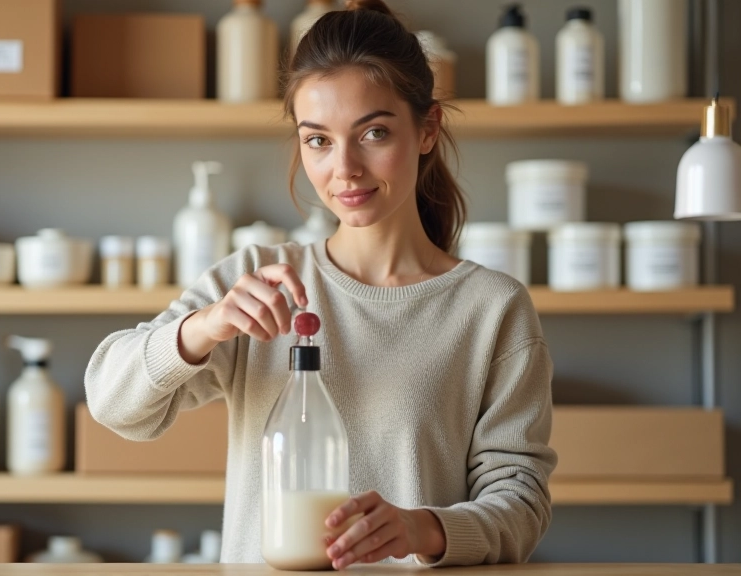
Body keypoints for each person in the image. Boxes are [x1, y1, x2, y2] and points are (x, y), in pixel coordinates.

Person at [85, 0, 557, 568]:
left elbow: (521, 503)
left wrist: (424, 528)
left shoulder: (492, 309)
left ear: (427, 129)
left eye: (374, 133)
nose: (345, 168)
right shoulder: (254, 280)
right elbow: (112, 404)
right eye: (318, 140)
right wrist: (202, 328)